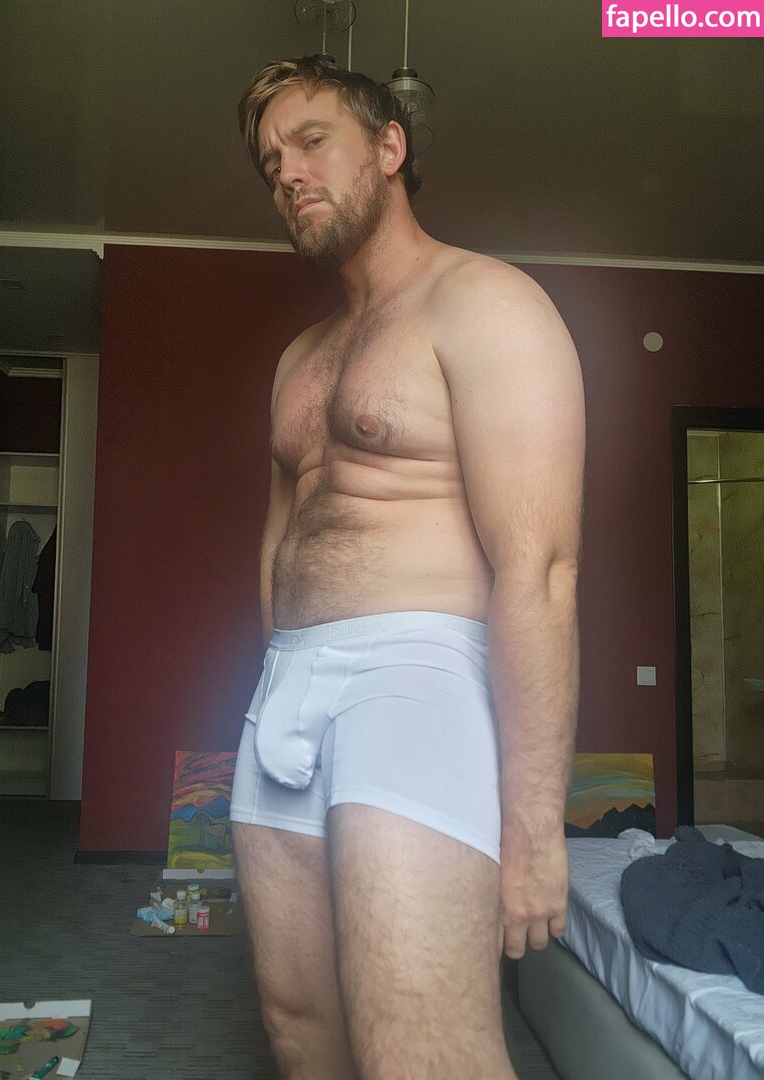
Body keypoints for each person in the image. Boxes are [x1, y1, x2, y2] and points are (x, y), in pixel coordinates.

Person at [229, 55, 585, 1080]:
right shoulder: (300, 360)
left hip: (415, 681)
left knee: (418, 1052)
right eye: (272, 164)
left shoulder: (487, 303)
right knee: (299, 1026)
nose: (289, 175)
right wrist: (272, 691)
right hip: (285, 688)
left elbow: (540, 570)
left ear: (390, 146)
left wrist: (535, 825)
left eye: (311, 142)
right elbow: (279, 544)